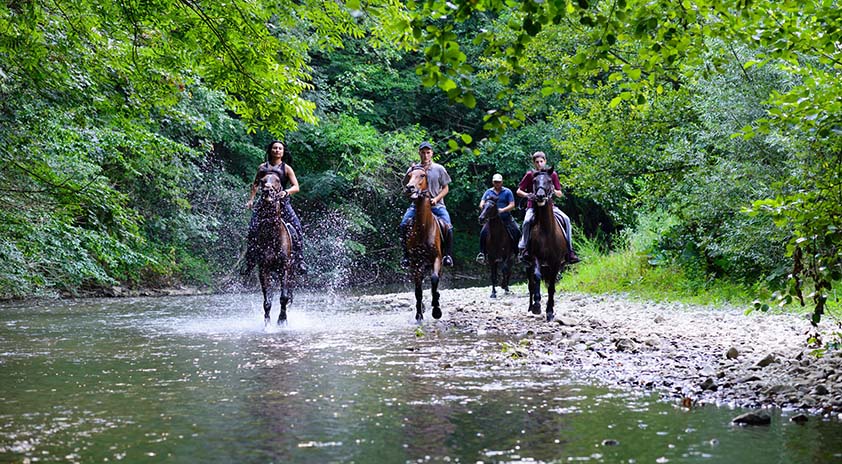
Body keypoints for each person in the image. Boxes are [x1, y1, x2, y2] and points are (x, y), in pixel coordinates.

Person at [243, 140, 306, 275]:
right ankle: (249, 261)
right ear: (270, 150)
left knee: (297, 227)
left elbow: (296, 187)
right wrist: (251, 200)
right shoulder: (262, 167)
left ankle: (300, 260)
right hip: (264, 203)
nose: (277, 150)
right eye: (275, 148)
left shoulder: (286, 168)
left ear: (283, 152)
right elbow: (255, 185)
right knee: (253, 228)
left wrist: (286, 192)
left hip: (282, 203)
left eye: (280, 149)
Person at [515, 151, 580, 264]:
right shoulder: (530, 174)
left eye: (541, 161)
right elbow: (519, 191)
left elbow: (560, 193)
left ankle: (569, 251)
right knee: (526, 222)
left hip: (550, 207)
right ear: (534, 163)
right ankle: (524, 248)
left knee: (566, 220)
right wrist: (527, 195)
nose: (539, 164)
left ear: (545, 161)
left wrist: (552, 190)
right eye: (537, 162)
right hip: (533, 206)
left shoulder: (552, 174)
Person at [399, 141, 454, 267]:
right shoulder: (412, 170)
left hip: (437, 205)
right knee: (403, 225)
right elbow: (406, 188)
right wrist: (410, 195)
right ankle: (406, 256)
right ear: (419, 153)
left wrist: (436, 199)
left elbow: (446, 188)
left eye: (428, 153)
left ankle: (447, 256)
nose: (425, 155)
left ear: (432, 153)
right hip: (417, 206)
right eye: (423, 153)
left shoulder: (439, 169)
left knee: (449, 227)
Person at [476, 173, 520, 265]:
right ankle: (482, 253)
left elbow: (512, 204)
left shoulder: (507, 192)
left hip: (505, 218)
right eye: (495, 182)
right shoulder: (488, 192)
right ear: (493, 182)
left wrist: (502, 210)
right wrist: (485, 210)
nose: (497, 184)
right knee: (483, 233)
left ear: (502, 182)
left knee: (516, 230)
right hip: (492, 219)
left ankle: (517, 253)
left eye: (499, 182)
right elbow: (481, 203)